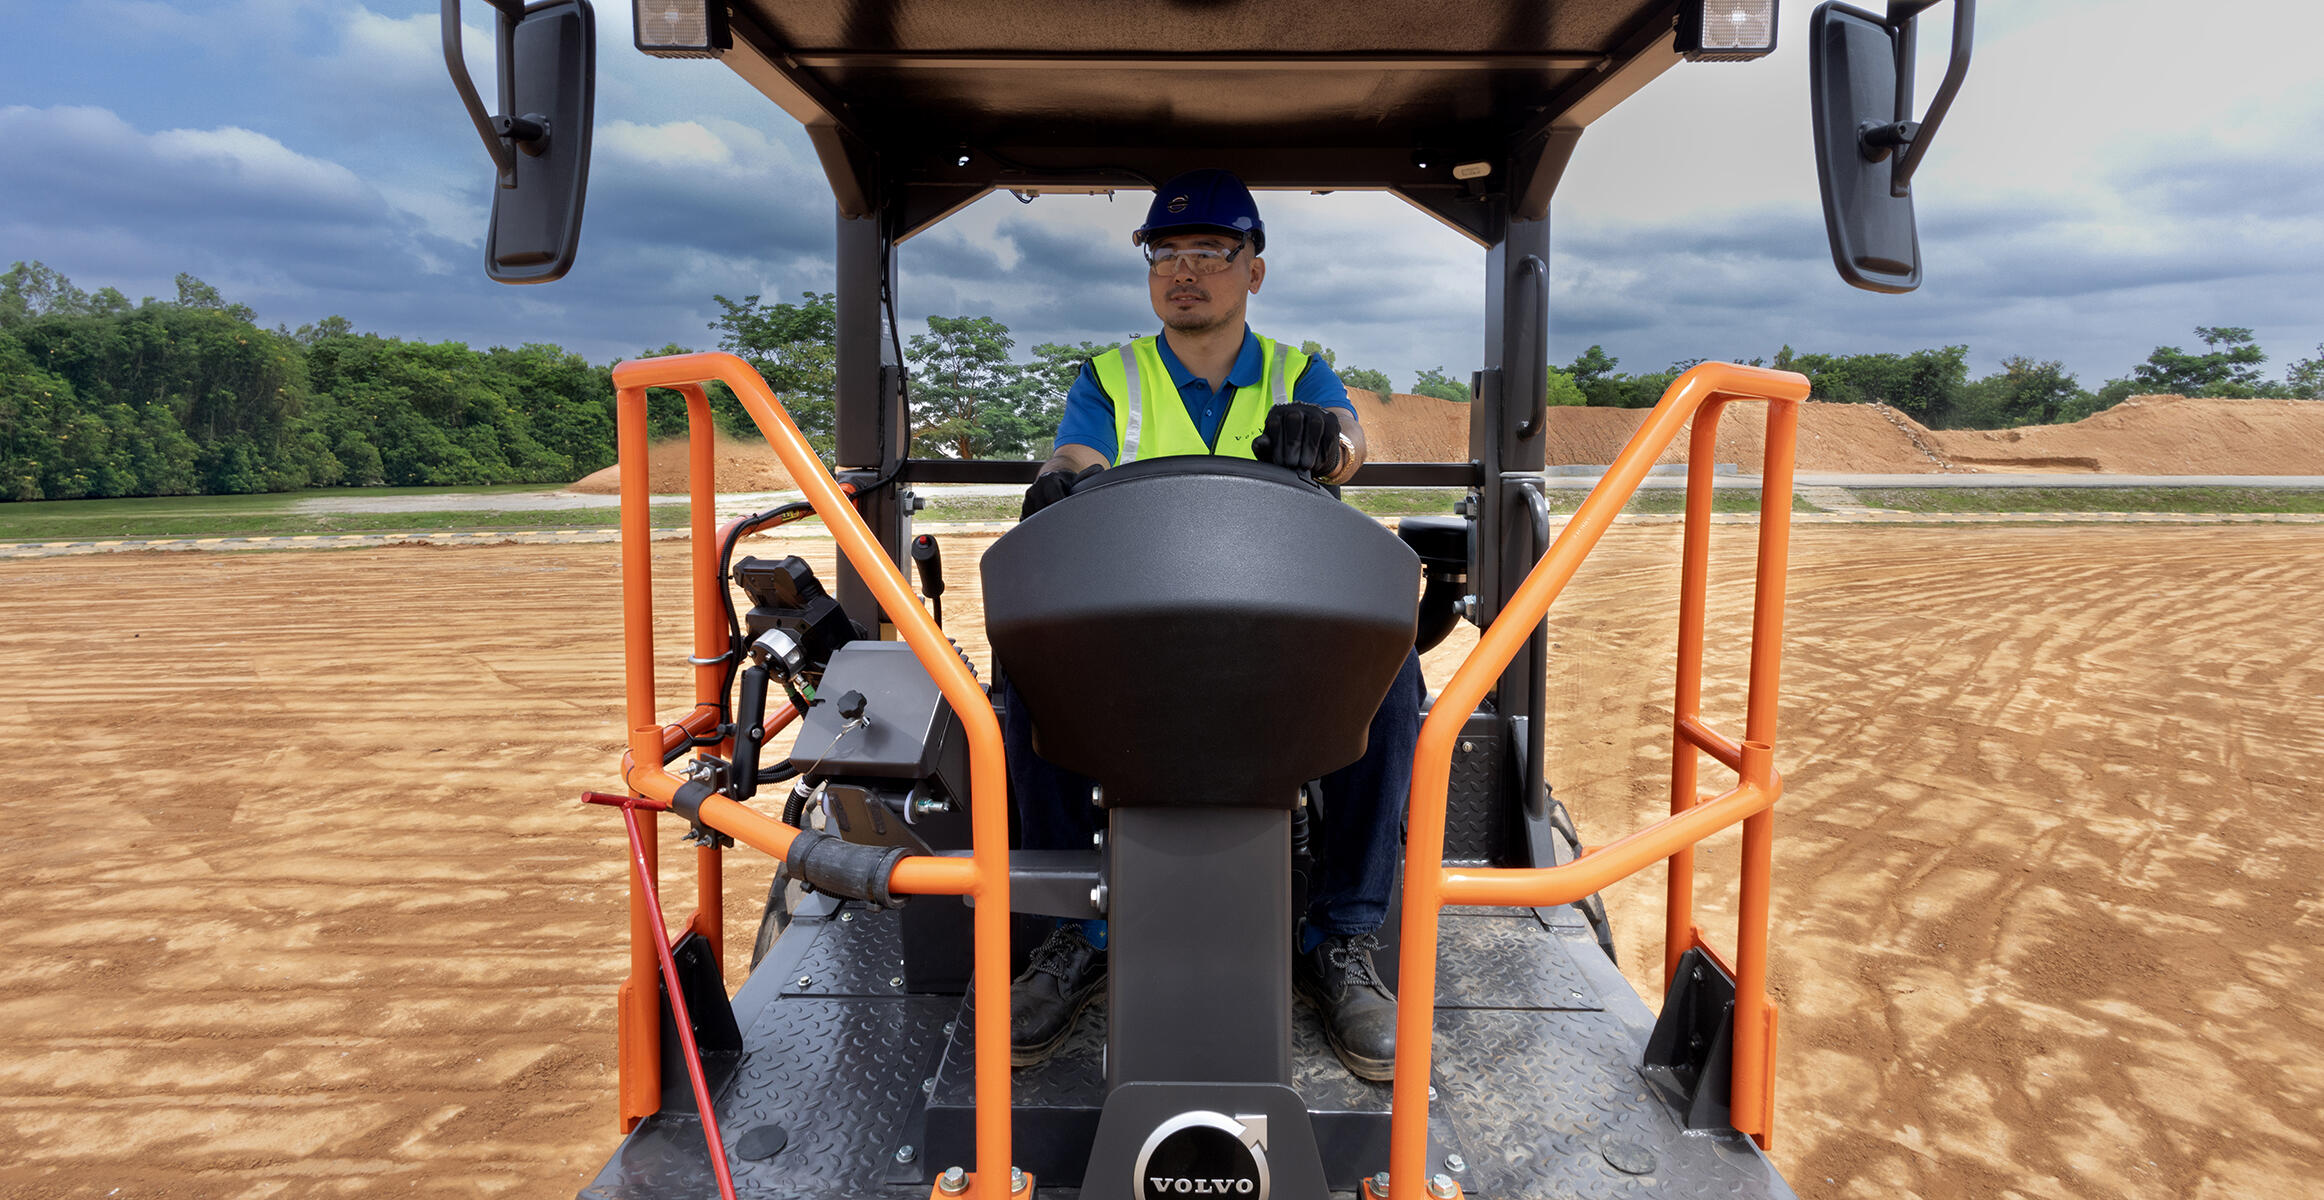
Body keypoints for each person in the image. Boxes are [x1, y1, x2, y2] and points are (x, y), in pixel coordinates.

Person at [1001, 168, 1425, 1082]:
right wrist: (1060, 477)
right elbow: (1078, 448)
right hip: (1138, 630)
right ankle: (1076, 933)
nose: (1182, 271)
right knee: (1019, 671)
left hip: (1273, 631)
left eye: (1207, 253)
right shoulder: (1111, 375)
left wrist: (1329, 441)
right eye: (1166, 254)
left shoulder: (1297, 372)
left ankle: (1341, 939)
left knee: (1393, 681)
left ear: (1254, 272)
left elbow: (1350, 443)